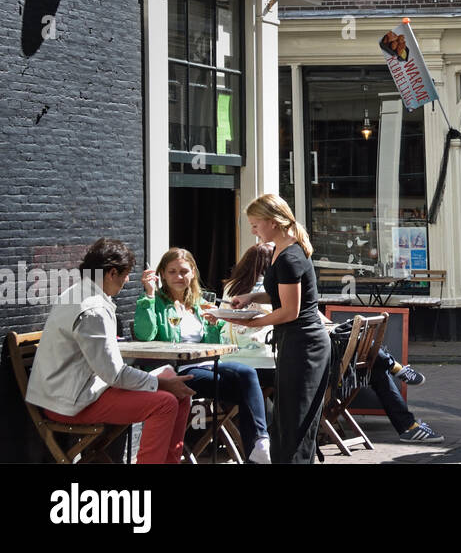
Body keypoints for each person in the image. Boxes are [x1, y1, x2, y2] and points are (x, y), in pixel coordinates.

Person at [225, 241, 443, 444]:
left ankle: (405, 411)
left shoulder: (233, 290)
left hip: (279, 358)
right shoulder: (268, 289)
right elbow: (299, 315)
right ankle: (405, 412)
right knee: (369, 361)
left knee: (366, 357)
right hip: (283, 363)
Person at [27, 238, 195, 464]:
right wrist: (162, 384)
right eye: (126, 274)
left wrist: (163, 382)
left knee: (179, 395)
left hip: (74, 391)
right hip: (69, 402)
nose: (127, 281)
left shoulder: (80, 292)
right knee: (165, 403)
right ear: (111, 273)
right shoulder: (93, 309)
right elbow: (114, 374)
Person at [135, 247, 271, 463]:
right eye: (172, 272)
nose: (179, 277)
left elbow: (212, 346)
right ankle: (257, 452)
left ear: (193, 273)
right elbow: (145, 334)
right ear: (162, 274)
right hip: (180, 370)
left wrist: (214, 326)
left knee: (247, 373)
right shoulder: (156, 302)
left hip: (208, 364)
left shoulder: (198, 304)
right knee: (247, 393)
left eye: (183, 271)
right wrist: (149, 295)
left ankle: (260, 443)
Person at [226, 193, 330, 464]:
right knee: (287, 418)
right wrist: (251, 298)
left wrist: (251, 322)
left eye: (255, 224)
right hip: (296, 342)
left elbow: (289, 311)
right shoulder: (279, 251)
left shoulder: (289, 257)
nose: (252, 230)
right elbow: (280, 295)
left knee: (295, 420)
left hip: (304, 345)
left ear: (272, 222)